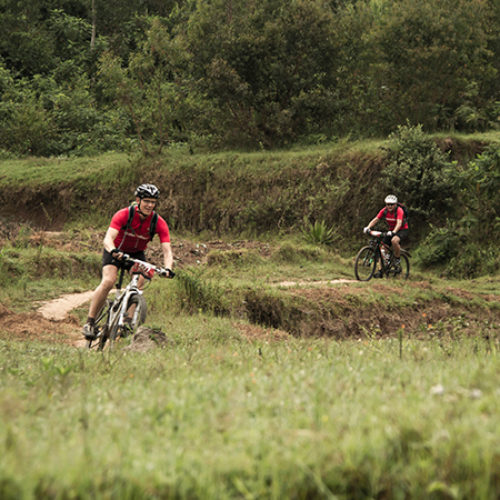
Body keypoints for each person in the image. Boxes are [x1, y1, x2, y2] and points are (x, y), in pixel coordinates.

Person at [82, 183, 174, 340]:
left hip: (136, 254)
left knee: (140, 282)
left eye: (153, 202)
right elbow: (108, 238)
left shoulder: (158, 222)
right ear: (138, 200)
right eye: (146, 201)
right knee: (109, 281)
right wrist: (113, 251)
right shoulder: (124, 214)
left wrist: (168, 268)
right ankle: (90, 322)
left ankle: (127, 322)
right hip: (115, 251)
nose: (150, 205)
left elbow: (167, 249)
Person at [363, 194, 408, 275]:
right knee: (383, 249)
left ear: (395, 204)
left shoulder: (399, 210)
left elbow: (399, 223)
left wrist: (394, 232)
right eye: (388, 204)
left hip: (402, 229)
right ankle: (380, 271)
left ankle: (397, 259)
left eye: (392, 204)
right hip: (391, 230)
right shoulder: (384, 210)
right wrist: (368, 227)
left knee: (394, 241)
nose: (389, 206)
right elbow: (376, 219)